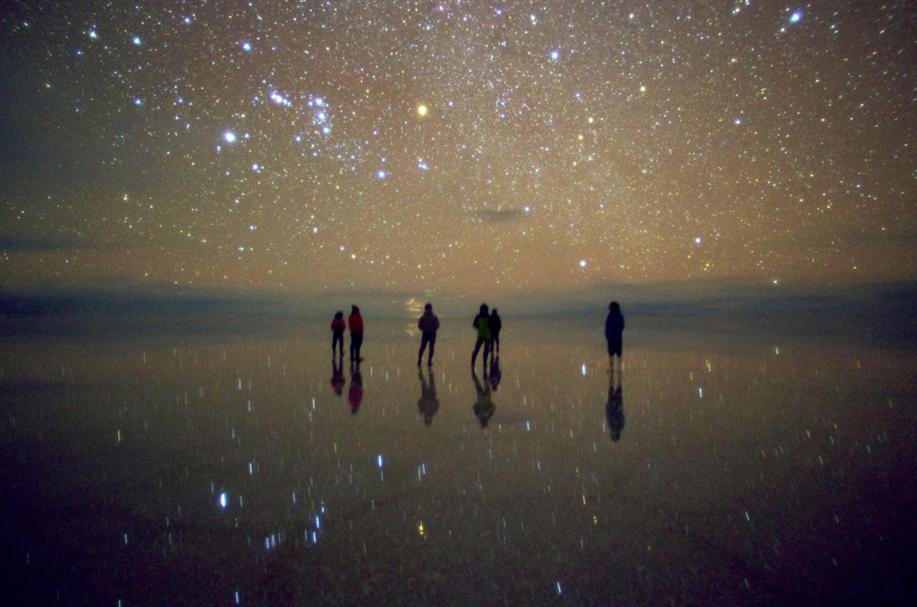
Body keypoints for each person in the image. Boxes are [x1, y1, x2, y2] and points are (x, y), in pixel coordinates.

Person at [605, 301, 625, 375]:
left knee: (613, 354)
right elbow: (621, 326)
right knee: (615, 354)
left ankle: (615, 368)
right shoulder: (616, 315)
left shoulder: (615, 315)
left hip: (614, 337)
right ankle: (614, 368)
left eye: (610, 307)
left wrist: (609, 334)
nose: (609, 308)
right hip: (614, 337)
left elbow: (621, 326)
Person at [471, 304, 492, 371]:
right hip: (480, 336)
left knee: (485, 351)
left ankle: (484, 363)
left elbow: (492, 326)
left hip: (488, 336)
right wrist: (478, 327)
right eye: (482, 309)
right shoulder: (478, 316)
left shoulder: (489, 317)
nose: (483, 311)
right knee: (476, 349)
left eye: (484, 309)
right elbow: (474, 325)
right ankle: (473, 362)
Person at [606, 374, 624, 442]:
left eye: (612, 434)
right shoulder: (620, 425)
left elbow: (608, 415)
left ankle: (612, 374)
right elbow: (621, 415)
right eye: (614, 434)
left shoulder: (610, 425)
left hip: (612, 404)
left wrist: (608, 406)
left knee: (611, 387)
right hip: (616, 403)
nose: (613, 432)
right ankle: (617, 375)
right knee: (617, 387)